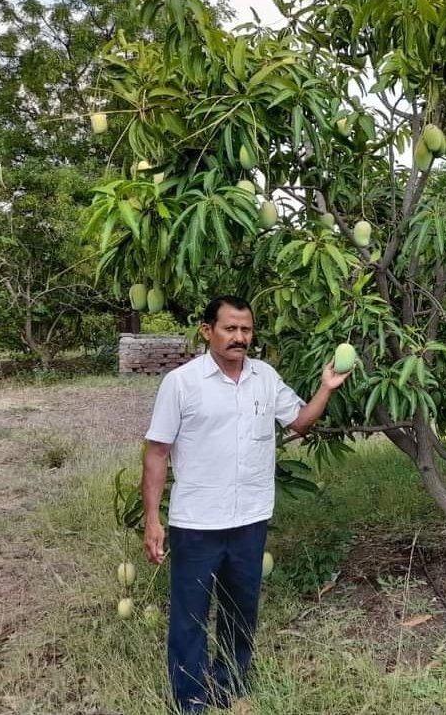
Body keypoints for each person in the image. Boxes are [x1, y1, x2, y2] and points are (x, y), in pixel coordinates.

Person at [141, 295, 350, 713]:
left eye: (247, 329)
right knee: (190, 618)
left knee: (241, 613)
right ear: (208, 332)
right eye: (230, 328)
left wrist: (326, 389)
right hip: (197, 523)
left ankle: (229, 685)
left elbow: (300, 422)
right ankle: (191, 700)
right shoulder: (181, 383)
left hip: (250, 519)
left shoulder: (265, 378)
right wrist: (152, 519)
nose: (240, 337)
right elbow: (157, 452)